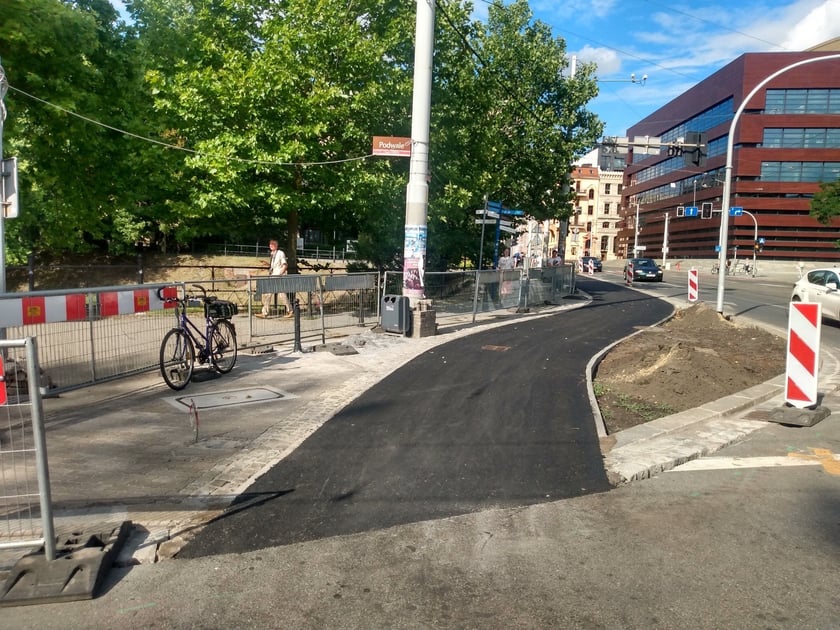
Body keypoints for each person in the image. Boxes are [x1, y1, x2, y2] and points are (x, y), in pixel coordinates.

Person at [259, 239, 292, 318]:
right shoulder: (272, 254)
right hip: (274, 276)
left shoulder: (280, 253)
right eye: (270, 244)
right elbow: (274, 266)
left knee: (274, 294)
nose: (271, 245)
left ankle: (265, 312)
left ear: (276, 245)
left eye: (272, 244)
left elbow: (284, 265)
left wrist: (280, 274)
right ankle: (290, 310)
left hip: (278, 276)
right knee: (279, 294)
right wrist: (267, 264)